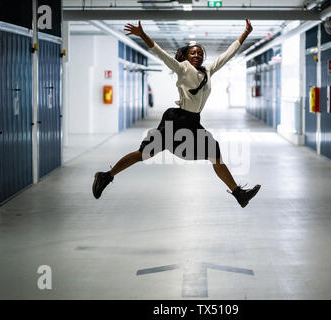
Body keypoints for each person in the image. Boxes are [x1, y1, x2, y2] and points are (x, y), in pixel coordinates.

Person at [92, 19, 260, 208]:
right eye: (193, 53)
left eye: (199, 53)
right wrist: (143, 35)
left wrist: (245, 33)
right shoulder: (182, 68)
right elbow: (161, 54)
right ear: (187, 56)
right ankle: (106, 176)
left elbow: (227, 55)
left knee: (215, 153)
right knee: (144, 154)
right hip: (176, 120)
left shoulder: (207, 71)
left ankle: (239, 194)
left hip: (194, 121)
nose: (197, 55)